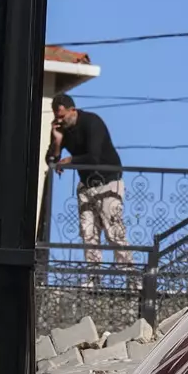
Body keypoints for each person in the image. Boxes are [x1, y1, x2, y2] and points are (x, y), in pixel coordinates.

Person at [47, 93, 135, 269]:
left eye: (63, 117)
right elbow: (50, 161)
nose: (60, 121)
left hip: (109, 182)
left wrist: (71, 160)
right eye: (57, 118)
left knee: (114, 232)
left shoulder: (92, 122)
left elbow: (94, 157)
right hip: (86, 186)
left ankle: (131, 278)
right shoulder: (61, 129)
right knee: (88, 234)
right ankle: (93, 278)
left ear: (73, 110)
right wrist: (57, 141)